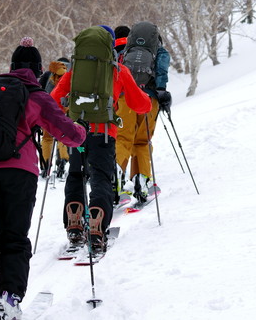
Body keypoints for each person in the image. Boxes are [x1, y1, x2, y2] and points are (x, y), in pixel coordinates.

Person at [0, 37, 86, 320]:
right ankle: (9, 300)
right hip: (18, 174)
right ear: (37, 70)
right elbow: (68, 135)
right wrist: (82, 130)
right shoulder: (35, 95)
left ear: (11, 66)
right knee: (14, 238)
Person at [50, 25, 151, 253]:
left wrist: (68, 114)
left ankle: (75, 226)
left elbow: (53, 100)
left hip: (76, 133)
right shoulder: (117, 70)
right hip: (104, 134)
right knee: (101, 179)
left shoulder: (74, 71)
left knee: (75, 175)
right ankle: (97, 228)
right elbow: (139, 104)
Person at [115, 24, 172, 202]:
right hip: (149, 99)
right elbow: (162, 72)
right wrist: (161, 91)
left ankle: (115, 174)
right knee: (142, 140)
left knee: (123, 138)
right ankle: (142, 179)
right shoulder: (160, 52)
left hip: (126, 98)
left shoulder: (125, 51)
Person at [38, 57, 71, 178]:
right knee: (63, 137)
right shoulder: (71, 73)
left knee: (47, 139)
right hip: (65, 110)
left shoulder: (49, 73)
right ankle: (63, 159)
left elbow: (39, 90)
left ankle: (45, 165)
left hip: (48, 110)